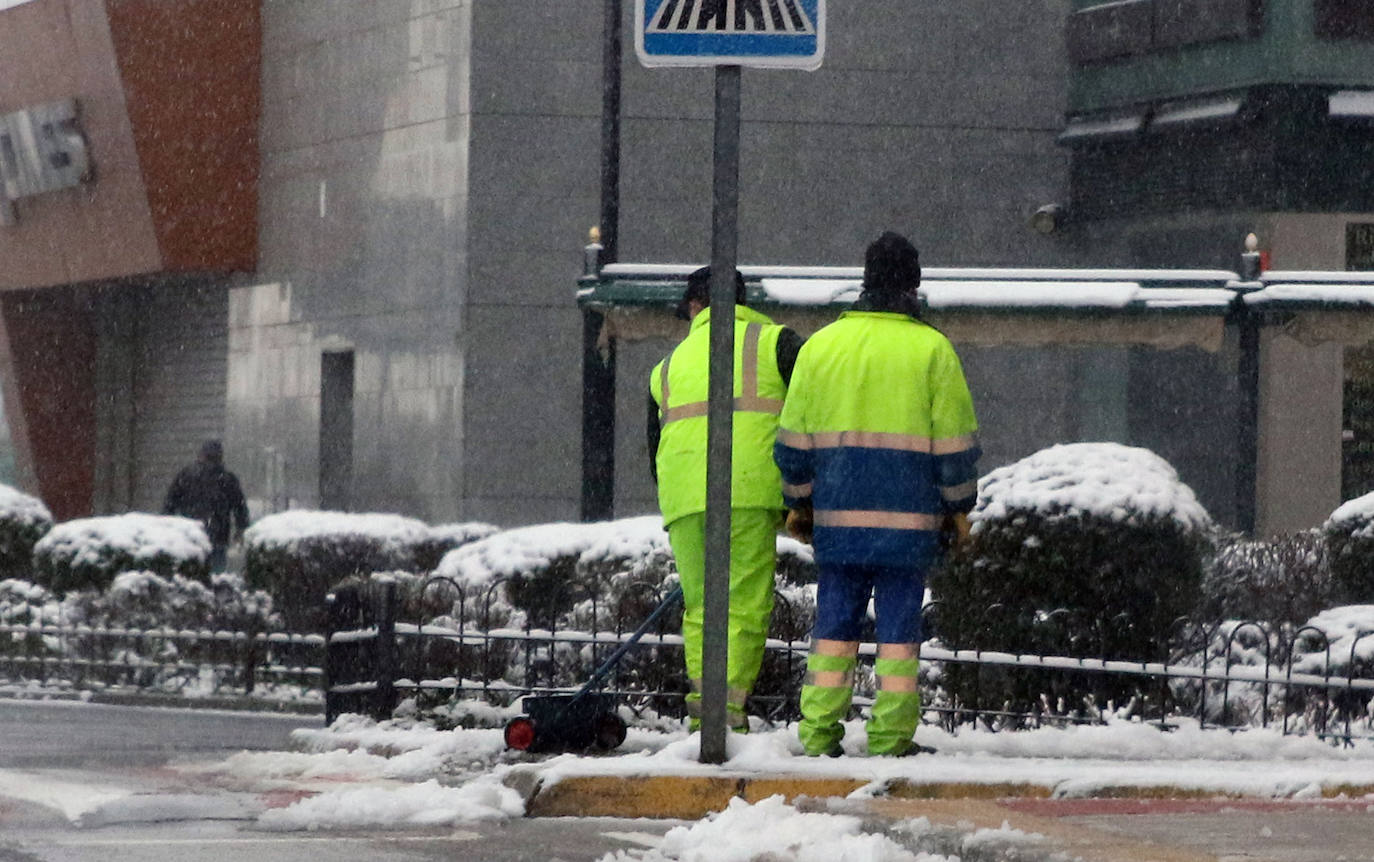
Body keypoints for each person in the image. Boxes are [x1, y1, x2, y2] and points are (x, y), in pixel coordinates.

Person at [774, 232, 980, 757]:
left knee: (834, 626)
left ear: (865, 281)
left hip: (837, 519)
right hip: (910, 523)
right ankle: (891, 737)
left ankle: (819, 733)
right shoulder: (933, 350)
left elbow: (793, 440)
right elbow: (954, 445)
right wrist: (958, 509)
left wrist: (800, 501)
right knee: (897, 634)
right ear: (913, 285)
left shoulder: (820, 347)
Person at [648, 265, 804, 732]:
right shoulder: (775, 343)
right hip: (748, 491)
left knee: (701, 607)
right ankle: (724, 715)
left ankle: (704, 714)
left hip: (683, 499)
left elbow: (650, 446)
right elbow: (808, 416)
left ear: (695, 306)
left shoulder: (667, 365)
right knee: (742, 605)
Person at [162, 439, 250, 573]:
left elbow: (170, 502)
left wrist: (167, 526)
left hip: (190, 535)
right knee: (216, 575)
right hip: (218, 536)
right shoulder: (227, 479)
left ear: (201, 455)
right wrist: (241, 529)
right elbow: (240, 506)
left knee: (190, 574)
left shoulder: (186, 475)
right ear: (220, 457)